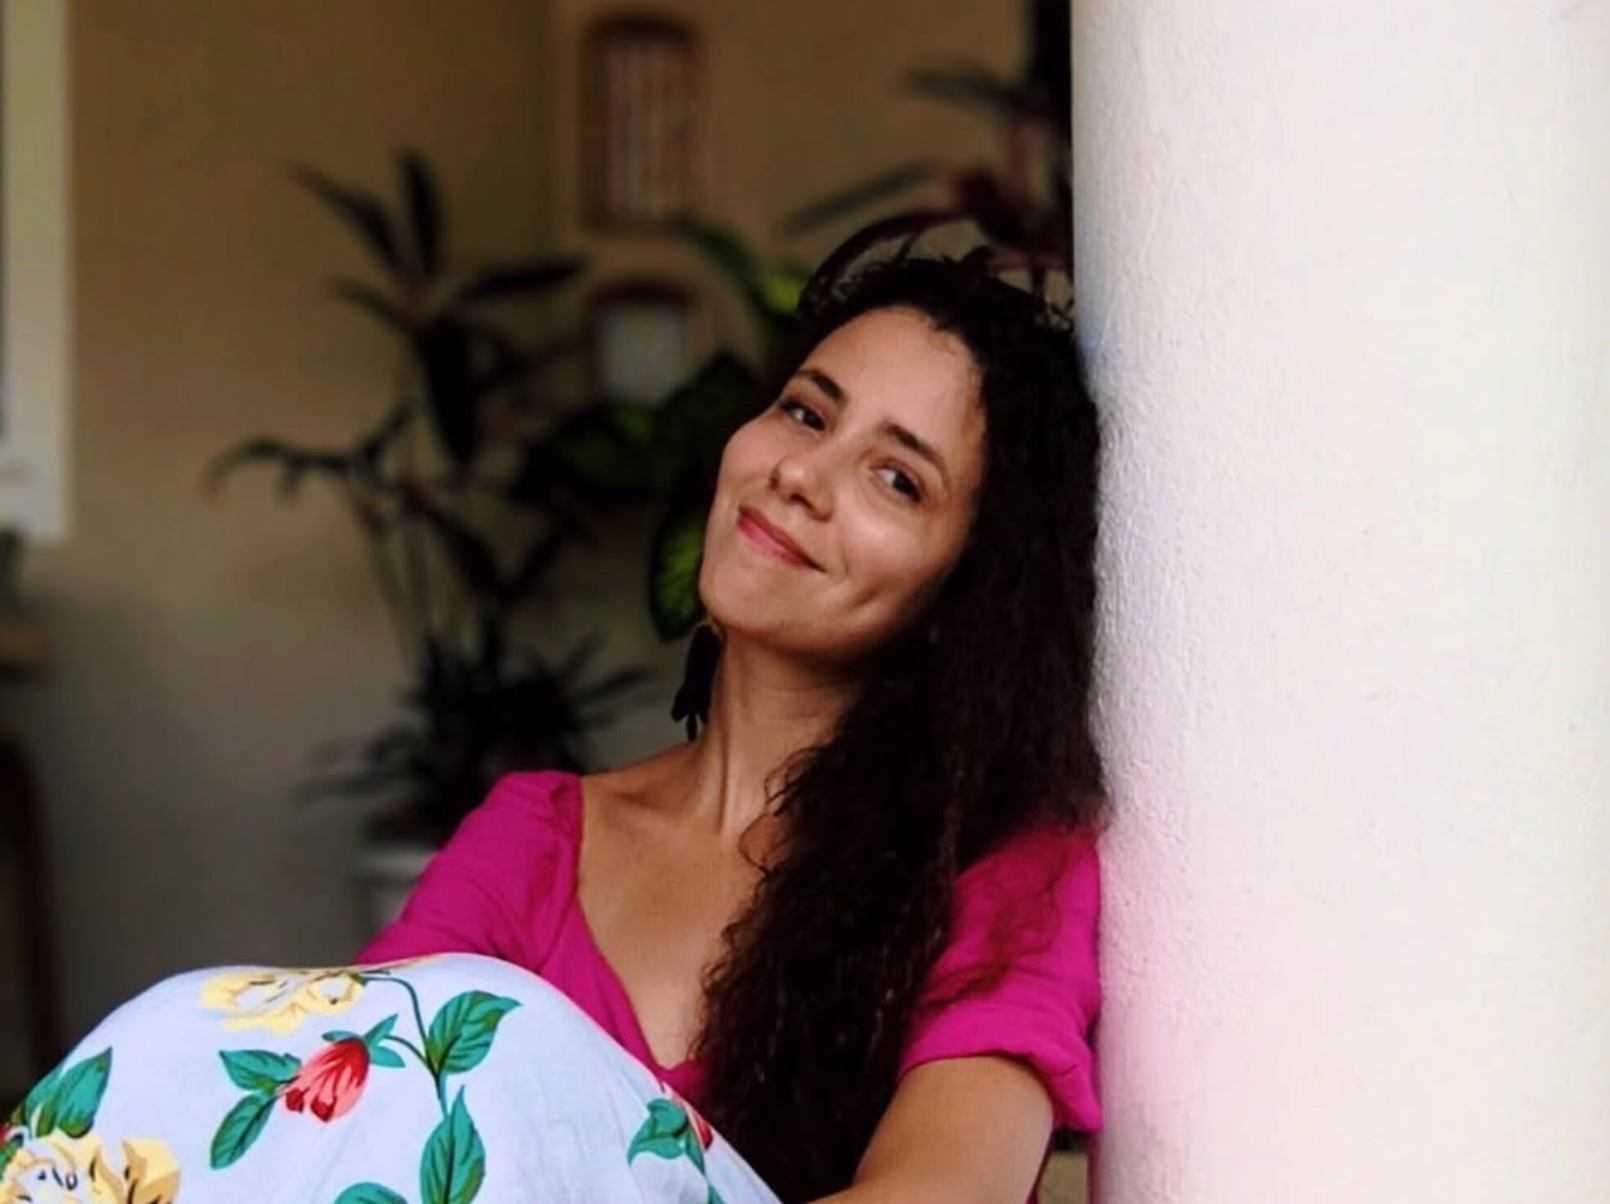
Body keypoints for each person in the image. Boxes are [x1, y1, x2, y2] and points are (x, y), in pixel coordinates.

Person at [357, 252, 1108, 1204]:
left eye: (896, 478)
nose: (801, 473)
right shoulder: (532, 840)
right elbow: (344, 1109)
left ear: (966, 591)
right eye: (806, 411)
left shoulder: (1002, 873)